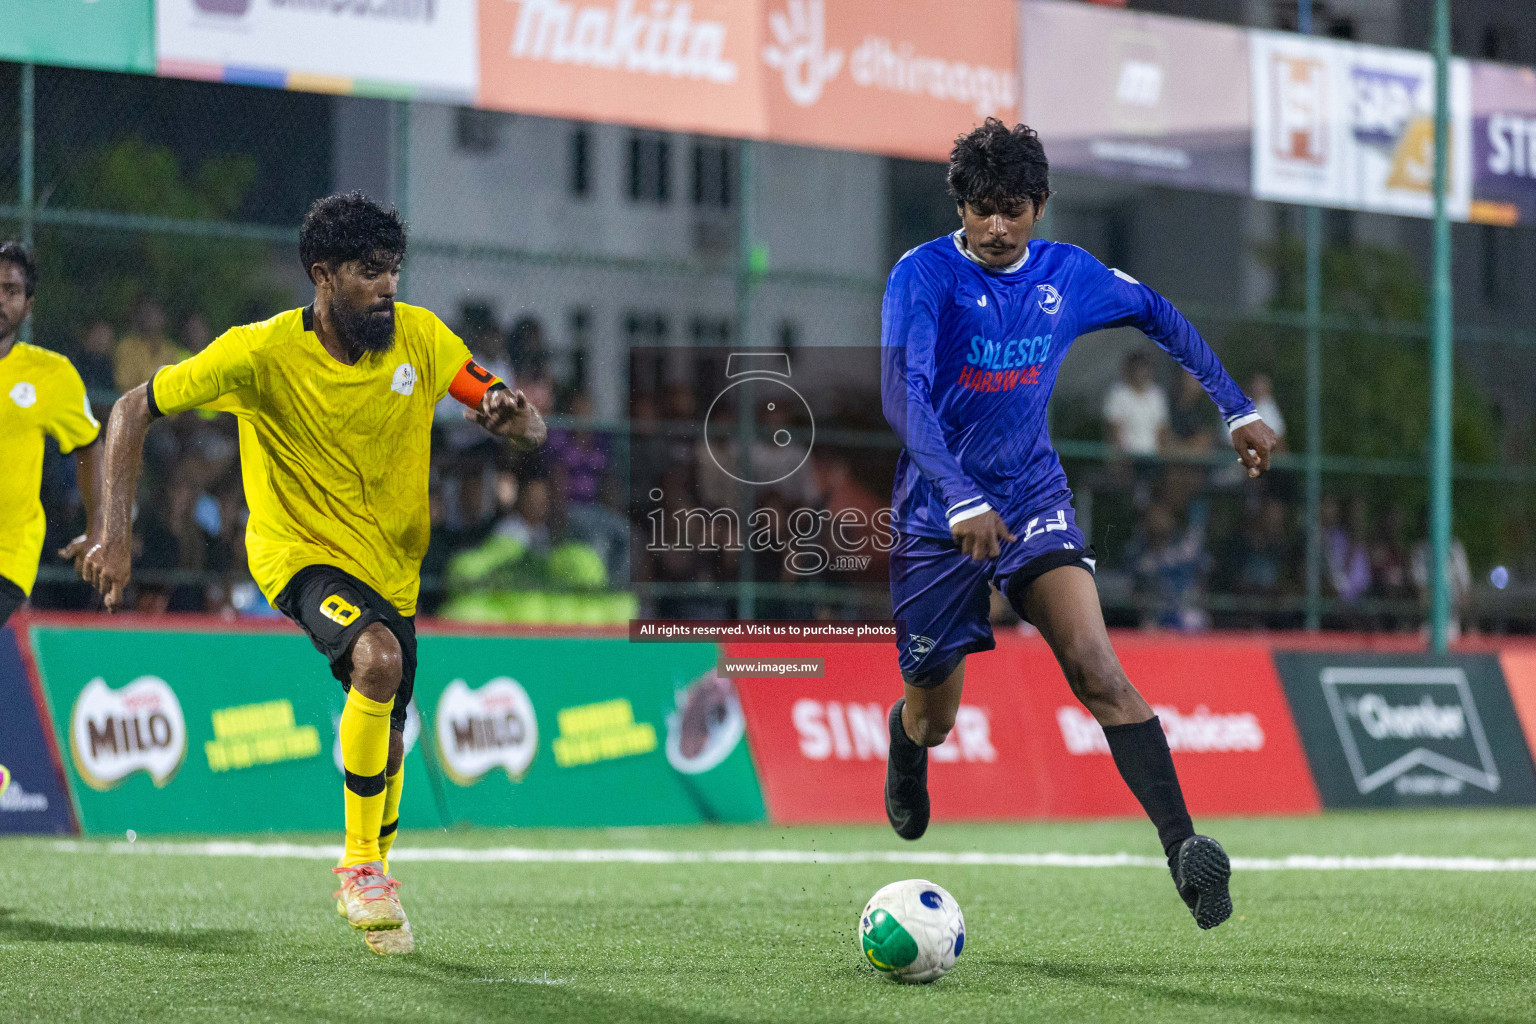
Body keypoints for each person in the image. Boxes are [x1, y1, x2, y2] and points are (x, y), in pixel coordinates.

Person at [78, 193, 546, 955]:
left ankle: (376, 874)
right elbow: (131, 409)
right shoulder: (258, 352)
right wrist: (114, 532)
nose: (387, 287)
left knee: (389, 738)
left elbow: (517, 416)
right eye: (368, 273)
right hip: (296, 553)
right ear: (321, 274)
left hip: (392, 569)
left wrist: (511, 417)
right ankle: (361, 868)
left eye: (393, 270)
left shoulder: (421, 339)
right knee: (378, 660)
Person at [880, 120, 1277, 930]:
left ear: (1042, 205)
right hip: (936, 518)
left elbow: (1158, 313)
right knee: (935, 716)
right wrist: (957, 494)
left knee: (1097, 667)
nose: (996, 227)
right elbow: (905, 395)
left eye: (1014, 209)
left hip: (1030, 497)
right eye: (981, 209)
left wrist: (1235, 407)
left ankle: (1184, 852)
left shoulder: (1069, 274)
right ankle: (906, 737)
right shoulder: (921, 276)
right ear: (959, 204)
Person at [0, 242, 103, 629]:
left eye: (10, 291)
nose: (0, 299)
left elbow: (89, 447)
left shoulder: (51, 375)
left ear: (27, 306)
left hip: (7, 556)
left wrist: (96, 530)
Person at [113, 297, 187, 393]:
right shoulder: (127, 347)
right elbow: (125, 387)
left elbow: (176, 385)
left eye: (155, 313)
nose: (150, 318)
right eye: (146, 313)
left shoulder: (170, 349)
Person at [1103, 350, 1167, 456]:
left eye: (1144, 367)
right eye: (1138, 367)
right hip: (1126, 457)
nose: (1141, 372)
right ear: (1130, 369)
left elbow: (1161, 429)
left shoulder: (1156, 394)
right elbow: (1113, 429)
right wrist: (1122, 457)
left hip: (1152, 458)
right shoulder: (1118, 393)